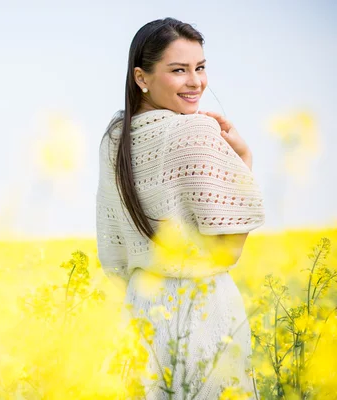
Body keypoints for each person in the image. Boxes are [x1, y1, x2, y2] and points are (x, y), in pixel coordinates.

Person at [95, 17, 265, 399]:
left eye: (200, 68)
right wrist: (244, 157)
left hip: (140, 310)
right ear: (142, 78)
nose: (196, 82)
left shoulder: (112, 139)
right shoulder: (196, 131)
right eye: (179, 70)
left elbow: (116, 258)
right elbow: (228, 251)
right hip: (203, 311)